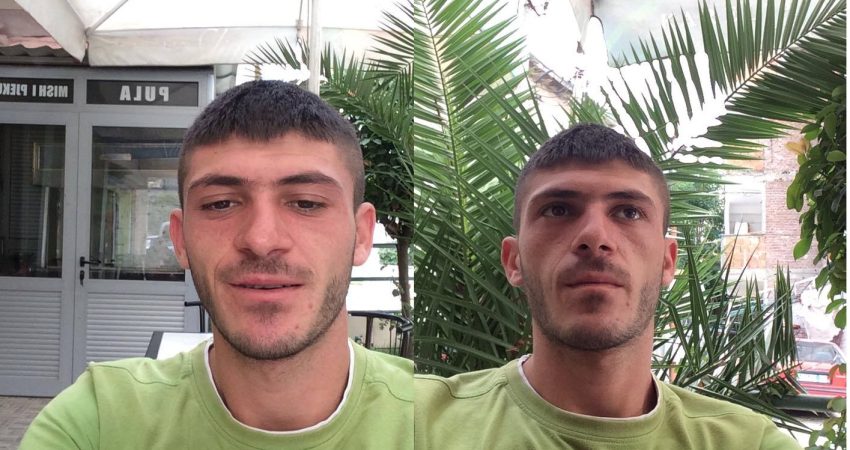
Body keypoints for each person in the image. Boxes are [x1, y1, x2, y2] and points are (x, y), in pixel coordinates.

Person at [22, 80, 413, 449]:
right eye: (220, 204)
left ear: (362, 235)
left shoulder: (436, 421)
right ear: (181, 239)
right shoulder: (99, 419)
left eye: (306, 203)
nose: (261, 240)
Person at [414, 124, 799, 449]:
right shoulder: (419, 424)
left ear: (667, 262)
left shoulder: (749, 442)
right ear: (514, 261)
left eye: (628, 212)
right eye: (558, 209)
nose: (595, 237)